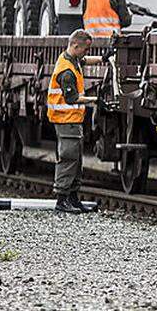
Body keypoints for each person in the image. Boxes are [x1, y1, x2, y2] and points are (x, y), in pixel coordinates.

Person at [47, 29, 103, 213]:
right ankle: (62, 199)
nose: (87, 53)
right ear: (75, 45)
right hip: (65, 121)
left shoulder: (72, 60)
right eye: (86, 49)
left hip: (72, 120)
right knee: (69, 158)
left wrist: (103, 59)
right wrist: (94, 100)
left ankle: (73, 198)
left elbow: (85, 61)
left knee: (76, 159)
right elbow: (71, 98)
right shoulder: (66, 71)